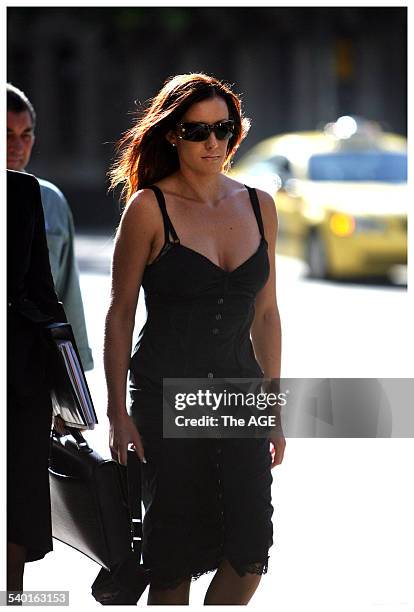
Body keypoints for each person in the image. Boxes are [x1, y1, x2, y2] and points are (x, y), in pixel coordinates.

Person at [104, 72, 284, 605]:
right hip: (166, 400)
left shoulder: (259, 205)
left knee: (250, 556)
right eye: (197, 130)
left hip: (239, 400)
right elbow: (119, 315)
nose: (213, 142)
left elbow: (268, 314)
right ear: (172, 134)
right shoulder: (148, 208)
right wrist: (118, 413)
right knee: (173, 564)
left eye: (223, 129)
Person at [7, 170, 68, 598]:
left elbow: (44, 294)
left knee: (14, 525)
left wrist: (71, 399)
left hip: (19, 384)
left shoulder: (21, 191)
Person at [6, 83, 93, 371]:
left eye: (25, 135)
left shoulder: (50, 201)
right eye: (6, 134)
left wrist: (75, 378)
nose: (17, 146)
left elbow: (68, 294)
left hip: (35, 364)